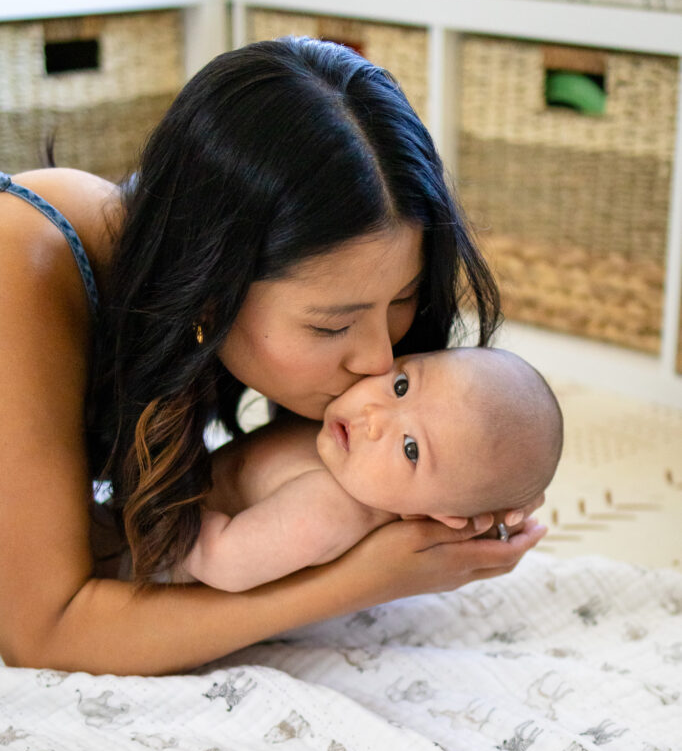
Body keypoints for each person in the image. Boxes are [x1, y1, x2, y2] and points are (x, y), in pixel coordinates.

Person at [0, 37, 547, 677]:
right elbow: (41, 633)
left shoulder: (188, 289)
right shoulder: (22, 271)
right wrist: (360, 580)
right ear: (212, 291)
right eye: (331, 325)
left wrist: (459, 472)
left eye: (400, 299)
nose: (379, 360)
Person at [176, 346, 562, 592]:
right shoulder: (346, 444)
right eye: (401, 387)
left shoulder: (328, 509)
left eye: (411, 449)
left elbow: (222, 562)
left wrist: (158, 504)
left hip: (156, 565)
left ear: (436, 514)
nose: (374, 417)